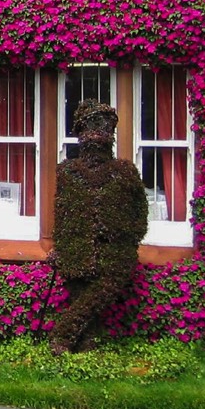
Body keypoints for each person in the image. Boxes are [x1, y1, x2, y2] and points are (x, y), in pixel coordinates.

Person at [49, 100, 148, 354]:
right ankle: (86, 346)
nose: (99, 133)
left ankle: (62, 335)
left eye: (105, 127)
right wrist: (59, 247)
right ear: (80, 132)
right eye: (92, 126)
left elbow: (140, 209)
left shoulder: (125, 172)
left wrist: (128, 236)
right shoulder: (67, 172)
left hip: (115, 253)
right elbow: (62, 212)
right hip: (76, 248)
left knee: (100, 292)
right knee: (80, 292)